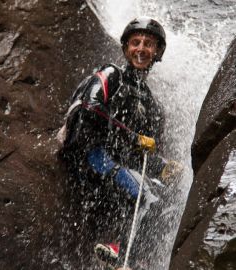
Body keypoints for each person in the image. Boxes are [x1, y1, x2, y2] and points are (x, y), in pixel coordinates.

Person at [57, 17, 180, 270]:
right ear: (126, 48)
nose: (142, 48)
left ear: (157, 52)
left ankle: (130, 257)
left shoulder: (150, 103)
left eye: (149, 44)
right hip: (90, 156)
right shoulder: (111, 74)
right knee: (148, 197)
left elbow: (136, 154)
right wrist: (135, 138)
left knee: (168, 201)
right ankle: (122, 255)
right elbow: (90, 108)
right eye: (136, 42)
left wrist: (162, 166)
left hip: (115, 163)